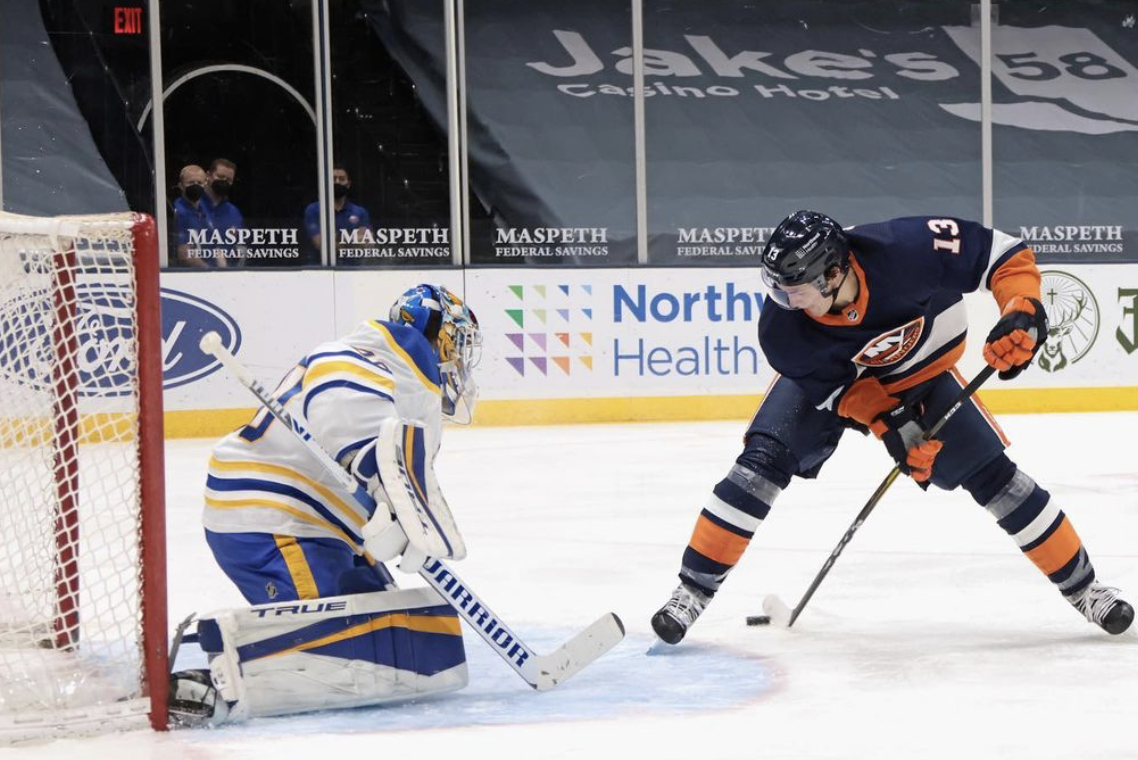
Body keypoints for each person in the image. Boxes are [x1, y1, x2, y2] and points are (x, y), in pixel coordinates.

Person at [651, 210, 1134, 644]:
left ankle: (1086, 589)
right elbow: (844, 393)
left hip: (920, 373)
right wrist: (889, 427)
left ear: (835, 273)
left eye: (794, 289)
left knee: (995, 478)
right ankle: (691, 591)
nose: (785, 301)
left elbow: (1003, 255)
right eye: (778, 290)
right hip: (843, 386)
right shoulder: (784, 330)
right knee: (760, 464)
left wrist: (1022, 309)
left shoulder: (905, 249)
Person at [170, 285, 482, 724]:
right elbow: (356, 429)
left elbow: (395, 471)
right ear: (435, 332)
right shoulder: (355, 357)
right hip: (270, 520)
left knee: (395, 634)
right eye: (457, 344)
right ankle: (203, 683)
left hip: (323, 528)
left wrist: (402, 514)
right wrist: (389, 493)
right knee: (339, 655)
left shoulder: (406, 382)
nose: (460, 361)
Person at [303, 165, 371, 263]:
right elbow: (321, 244)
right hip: (319, 270)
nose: (337, 182)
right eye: (333, 179)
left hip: (352, 270)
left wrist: (335, 239)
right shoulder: (313, 210)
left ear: (348, 184)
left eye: (342, 179)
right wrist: (353, 240)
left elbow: (368, 245)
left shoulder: (360, 212)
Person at [172, 164, 222, 268]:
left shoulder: (207, 208)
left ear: (205, 184)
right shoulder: (179, 211)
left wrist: (224, 269)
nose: (196, 185)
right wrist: (210, 271)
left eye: (199, 183)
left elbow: (216, 246)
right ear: (181, 186)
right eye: (191, 182)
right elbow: (184, 254)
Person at [203, 158, 245, 265]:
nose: (224, 182)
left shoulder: (234, 213)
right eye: (220, 177)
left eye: (229, 180)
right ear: (208, 175)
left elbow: (241, 251)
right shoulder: (193, 205)